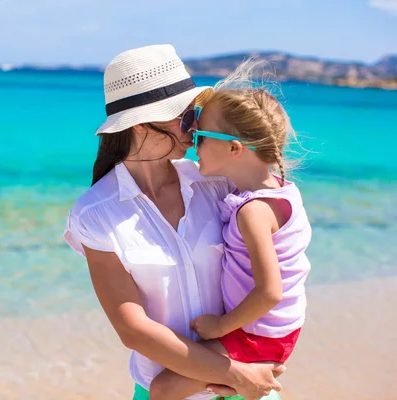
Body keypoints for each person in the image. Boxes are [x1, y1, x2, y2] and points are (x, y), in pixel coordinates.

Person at [63, 45, 284, 400]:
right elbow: (133, 330)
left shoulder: (219, 183)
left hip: (251, 385)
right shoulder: (95, 214)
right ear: (138, 125)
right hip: (187, 389)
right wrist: (237, 374)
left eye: (193, 114)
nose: (196, 127)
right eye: (183, 118)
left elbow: (282, 246)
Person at [149, 61, 312, 400]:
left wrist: (219, 327)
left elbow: (270, 293)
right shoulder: (282, 190)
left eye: (201, 137)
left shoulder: (253, 212)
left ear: (234, 149)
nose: (193, 145)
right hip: (275, 330)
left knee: (163, 389)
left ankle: (237, 383)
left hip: (259, 333)